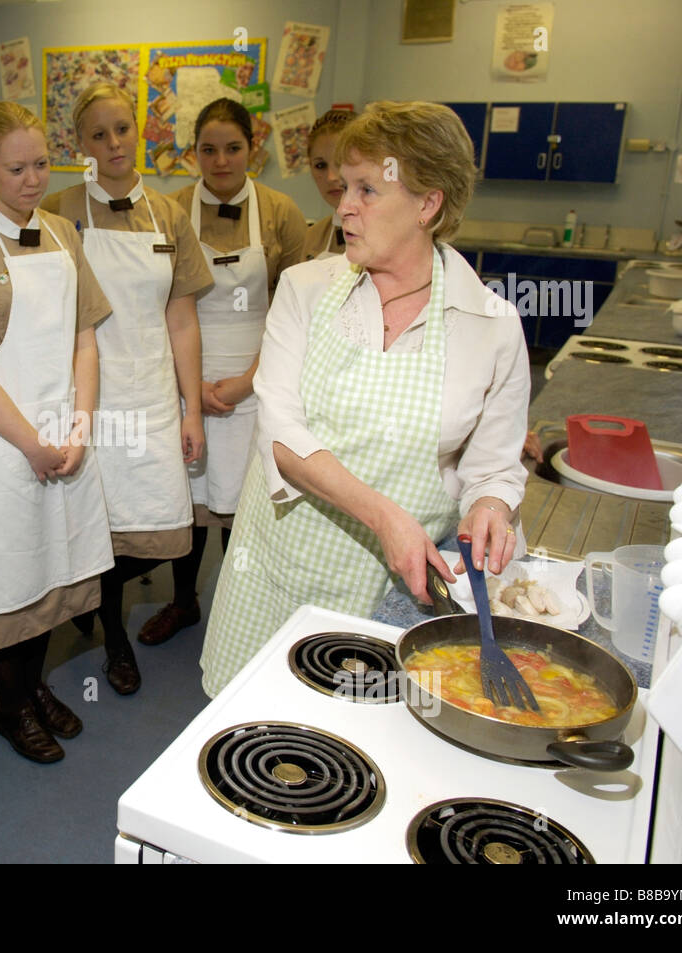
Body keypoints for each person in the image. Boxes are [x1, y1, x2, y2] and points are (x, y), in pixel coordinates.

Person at [200, 101, 530, 697]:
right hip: (278, 566)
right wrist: (385, 517)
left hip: (393, 588)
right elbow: (280, 435)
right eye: (344, 186)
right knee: (254, 736)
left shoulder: (491, 324)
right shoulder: (306, 289)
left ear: (428, 203)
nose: (343, 204)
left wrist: (490, 507)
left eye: (368, 190)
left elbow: (494, 466)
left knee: (360, 756)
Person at [0, 101, 114, 763]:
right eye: (15, 168)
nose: (33, 178)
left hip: (61, 432)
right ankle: (11, 706)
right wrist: (31, 442)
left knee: (48, 569)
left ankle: (33, 687)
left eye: (40, 163)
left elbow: (85, 340)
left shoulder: (65, 233)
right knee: (1, 578)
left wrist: (80, 427)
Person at [41, 82, 212, 694]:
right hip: (87, 395)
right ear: (78, 143)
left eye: (122, 129)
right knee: (100, 525)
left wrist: (193, 409)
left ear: (140, 131)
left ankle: (91, 597)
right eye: (97, 134)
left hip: (151, 396)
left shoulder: (169, 215)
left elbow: (183, 320)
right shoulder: (59, 211)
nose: (113, 144)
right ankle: (114, 636)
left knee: (164, 528)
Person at [137, 98, 311, 647]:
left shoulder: (282, 211)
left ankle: (242, 611)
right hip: (185, 374)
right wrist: (192, 389)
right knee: (186, 500)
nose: (221, 160)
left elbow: (296, 312)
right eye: (208, 150)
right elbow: (160, 303)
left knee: (244, 503)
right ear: (193, 154)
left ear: (251, 151)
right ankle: (183, 601)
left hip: (259, 376)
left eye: (233, 148)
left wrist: (247, 382)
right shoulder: (169, 209)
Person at [302, 109, 355, 259]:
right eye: (320, 166)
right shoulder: (313, 236)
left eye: (340, 162)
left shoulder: (390, 232)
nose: (331, 177)